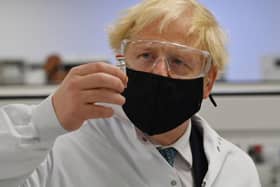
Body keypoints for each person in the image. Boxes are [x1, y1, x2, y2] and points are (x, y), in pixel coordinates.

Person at [0, 0, 261, 186]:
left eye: (178, 61)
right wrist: (45, 121)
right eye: (146, 55)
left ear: (208, 82)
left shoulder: (236, 169)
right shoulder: (59, 148)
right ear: (122, 62)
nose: (159, 71)